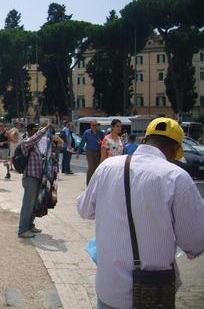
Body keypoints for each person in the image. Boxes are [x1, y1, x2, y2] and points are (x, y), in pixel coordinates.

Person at [77, 117, 204, 309]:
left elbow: (84, 209)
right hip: (154, 294)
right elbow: (194, 243)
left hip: (109, 290)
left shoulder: (107, 168)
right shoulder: (177, 178)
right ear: (175, 149)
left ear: (144, 139)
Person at [18, 123, 53, 238]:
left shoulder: (36, 146)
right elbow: (36, 137)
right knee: (28, 204)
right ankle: (22, 230)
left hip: (37, 177)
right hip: (30, 177)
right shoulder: (26, 142)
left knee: (34, 204)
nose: (36, 132)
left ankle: (29, 225)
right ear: (29, 131)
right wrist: (46, 128)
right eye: (34, 130)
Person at [77, 120, 105, 185]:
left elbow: (105, 142)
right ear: (90, 126)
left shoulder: (100, 133)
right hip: (90, 152)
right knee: (91, 168)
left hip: (98, 152)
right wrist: (78, 151)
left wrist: (101, 142)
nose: (94, 127)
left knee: (96, 168)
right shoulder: (87, 133)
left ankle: (95, 183)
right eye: (93, 125)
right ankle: (89, 184)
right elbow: (82, 142)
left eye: (96, 125)